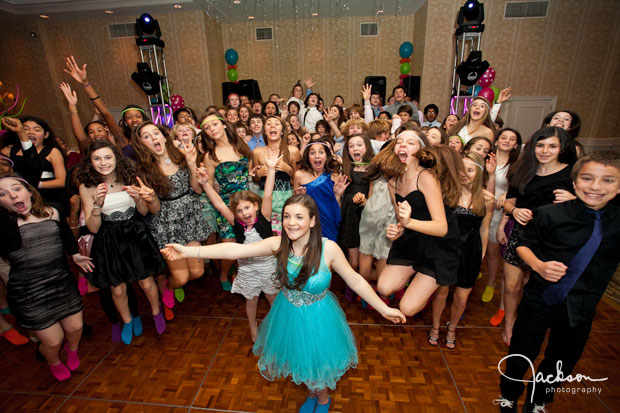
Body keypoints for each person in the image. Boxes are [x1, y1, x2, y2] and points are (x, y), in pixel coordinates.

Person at [161, 194, 406, 413]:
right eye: (287, 216)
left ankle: (322, 400)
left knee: (316, 362)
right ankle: (311, 393)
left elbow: (356, 280)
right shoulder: (278, 245)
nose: (291, 222)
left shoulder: (328, 249)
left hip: (319, 317)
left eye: (299, 217)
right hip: (288, 314)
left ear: (312, 221)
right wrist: (188, 252)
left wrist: (384, 308)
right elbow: (234, 251)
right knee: (302, 358)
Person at [495, 151, 620, 413]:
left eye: (608, 181)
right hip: (540, 298)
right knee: (522, 351)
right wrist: (539, 265)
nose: (596, 187)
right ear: (574, 183)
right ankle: (509, 395)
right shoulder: (551, 214)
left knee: (562, 358)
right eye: (587, 178)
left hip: (582, 305)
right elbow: (522, 246)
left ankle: (538, 399)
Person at [0, 176, 93, 381]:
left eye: (16, 189)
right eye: (3, 194)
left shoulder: (53, 210)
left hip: (61, 281)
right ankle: (53, 361)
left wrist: (75, 254)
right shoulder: (5, 227)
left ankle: (73, 350)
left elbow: (65, 236)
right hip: (28, 291)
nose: (13, 195)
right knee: (53, 341)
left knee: (76, 327)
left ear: (30, 192)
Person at [78, 140, 167, 345]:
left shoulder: (129, 176)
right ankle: (128, 320)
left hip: (134, 234)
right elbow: (93, 228)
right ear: (90, 162)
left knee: (147, 283)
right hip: (109, 238)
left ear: (116, 157)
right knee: (117, 289)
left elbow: (144, 212)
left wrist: (138, 199)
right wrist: (97, 206)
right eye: (97, 158)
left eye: (108, 157)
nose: (103, 163)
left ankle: (156, 313)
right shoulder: (88, 186)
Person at [498, 127, 576, 346]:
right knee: (512, 286)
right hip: (521, 234)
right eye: (540, 145)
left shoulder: (571, 174)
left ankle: (529, 325)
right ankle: (509, 325)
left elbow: (589, 206)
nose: (544, 151)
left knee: (536, 289)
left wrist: (573, 198)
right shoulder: (522, 170)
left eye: (552, 146)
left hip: (551, 239)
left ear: (562, 148)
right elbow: (509, 202)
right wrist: (513, 211)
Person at [196, 152, 280, 342]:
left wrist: (272, 168)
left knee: (273, 300)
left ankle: (277, 326)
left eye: (247, 208)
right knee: (251, 302)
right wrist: (204, 183)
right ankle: (253, 328)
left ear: (256, 207)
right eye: (239, 210)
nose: (244, 213)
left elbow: (267, 193)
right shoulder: (237, 223)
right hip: (248, 269)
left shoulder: (264, 216)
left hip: (268, 268)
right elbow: (218, 204)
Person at [377, 132, 462, 316]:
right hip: (412, 241)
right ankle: (418, 276)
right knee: (383, 287)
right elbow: (402, 220)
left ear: (420, 150)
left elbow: (441, 228)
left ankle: (427, 280)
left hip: (438, 246)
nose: (402, 145)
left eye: (410, 142)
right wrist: (397, 230)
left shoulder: (427, 177)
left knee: (407, 308)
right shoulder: (393, 182)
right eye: (399, 142)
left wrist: (409, 222)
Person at [132, 121, 212, 310]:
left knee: (197, 272)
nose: (153, 138)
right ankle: (167, 286)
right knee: (181, 278)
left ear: (164, 136)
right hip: (166, 223)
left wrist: (192, 164)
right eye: (146, 136)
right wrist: (150, 198)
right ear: (142, 144)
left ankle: (169, 284)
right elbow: (154, 210)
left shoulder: (181, 156)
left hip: (190, 217)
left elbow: (197, 189)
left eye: (156, 133)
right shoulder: (145, 171)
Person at [429, 152, 493, 348]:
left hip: (470, 251)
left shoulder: (486, 199)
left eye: (470, 170)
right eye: (461, 170)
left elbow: (484, 229)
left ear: (479, 173)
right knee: (441, 293)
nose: (464, 174)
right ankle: (435, 326)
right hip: (448, 249)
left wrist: (481, 254)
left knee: (462, 297)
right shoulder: (447, 194)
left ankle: (452, 328)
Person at [199, 112, 251, 291]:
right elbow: (209, 186)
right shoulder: (210, 156)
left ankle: (241, 273)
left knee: (246, 243)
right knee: (229, 245)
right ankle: (223, 274)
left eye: (214, 124)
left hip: (246, 203)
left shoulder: (240, 145)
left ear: (223, 125)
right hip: (225, 205)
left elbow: (248, 172)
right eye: (207, 127)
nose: (212, 129)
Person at [483, 129, 522, 312]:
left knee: (493, 250)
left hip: (501, 210)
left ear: (516, 145)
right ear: (496, 141)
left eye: (511, 139)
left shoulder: (518, 165)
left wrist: (507, 195)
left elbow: (519, 188)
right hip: (481, 203)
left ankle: (491, 283)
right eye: (503, 138)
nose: (507, 141)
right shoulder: (486, 158)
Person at [251, 116, 300, 235]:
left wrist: (288, 170)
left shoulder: (292, 151)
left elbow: (298, 180)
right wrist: (259, 173)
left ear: (283, 131)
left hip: (286, 200)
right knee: (268, 236)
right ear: (265, 131)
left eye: (276, 124)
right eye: (268, 124)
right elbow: (256, 180)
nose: (272, 126)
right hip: (265, 201)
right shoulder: (257, 152)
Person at [293, 138, 348, 242]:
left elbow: (337, 207)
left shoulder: (335, 175)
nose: (317, 156)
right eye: (312, 153)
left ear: (327, 157)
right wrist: (300, 198)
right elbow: (293, 206)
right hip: (307, 224)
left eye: (321, 152)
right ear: (308, 157)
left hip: (330, 223)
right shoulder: (299, 175)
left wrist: (337, 195)